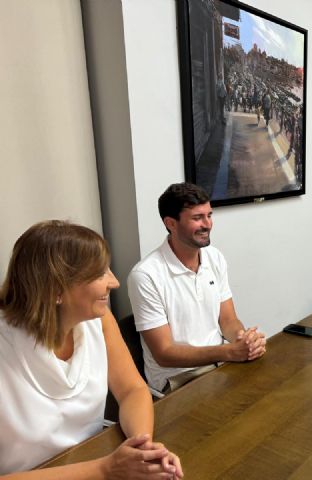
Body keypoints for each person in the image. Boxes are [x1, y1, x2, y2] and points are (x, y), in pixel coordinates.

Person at [0, 221, 182, 478]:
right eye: (99, 273)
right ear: (56, 290)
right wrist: (106, 468)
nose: (115, 282)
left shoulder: (99, 320)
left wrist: (142, 448)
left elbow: (132, 389)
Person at [128, 183, 267, 393]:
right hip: (177, 381)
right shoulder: (145, 276)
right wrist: (228, 352)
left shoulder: (214, 257)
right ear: (171, 224)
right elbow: (164, 353)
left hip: (218, 364)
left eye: (209, 215)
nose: (208, 224)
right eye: (197, 218)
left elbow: (228, 320)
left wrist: (243, 340)